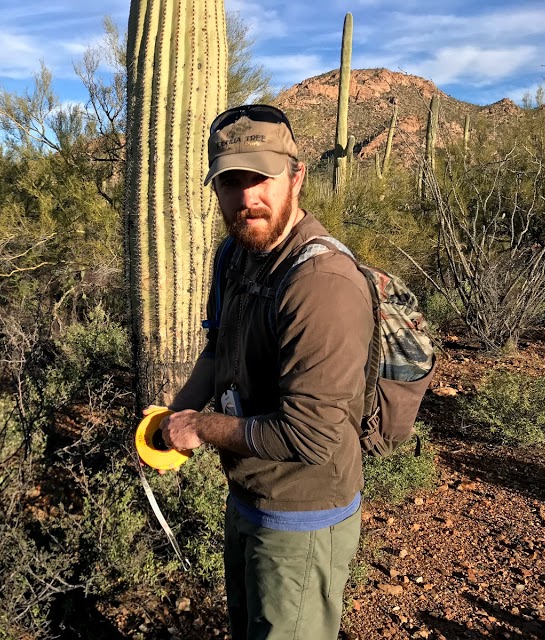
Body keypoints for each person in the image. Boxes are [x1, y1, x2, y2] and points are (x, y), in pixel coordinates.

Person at [157, 104, 373, 640]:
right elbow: (217, 352)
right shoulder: (235, 253)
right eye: (231, 181)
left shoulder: (321, 283)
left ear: (296, 176)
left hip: (302, 513)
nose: (247, 197)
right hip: (249, 491)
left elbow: (311, 436)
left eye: (262, 177)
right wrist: (174, 415)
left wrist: (201, 429)